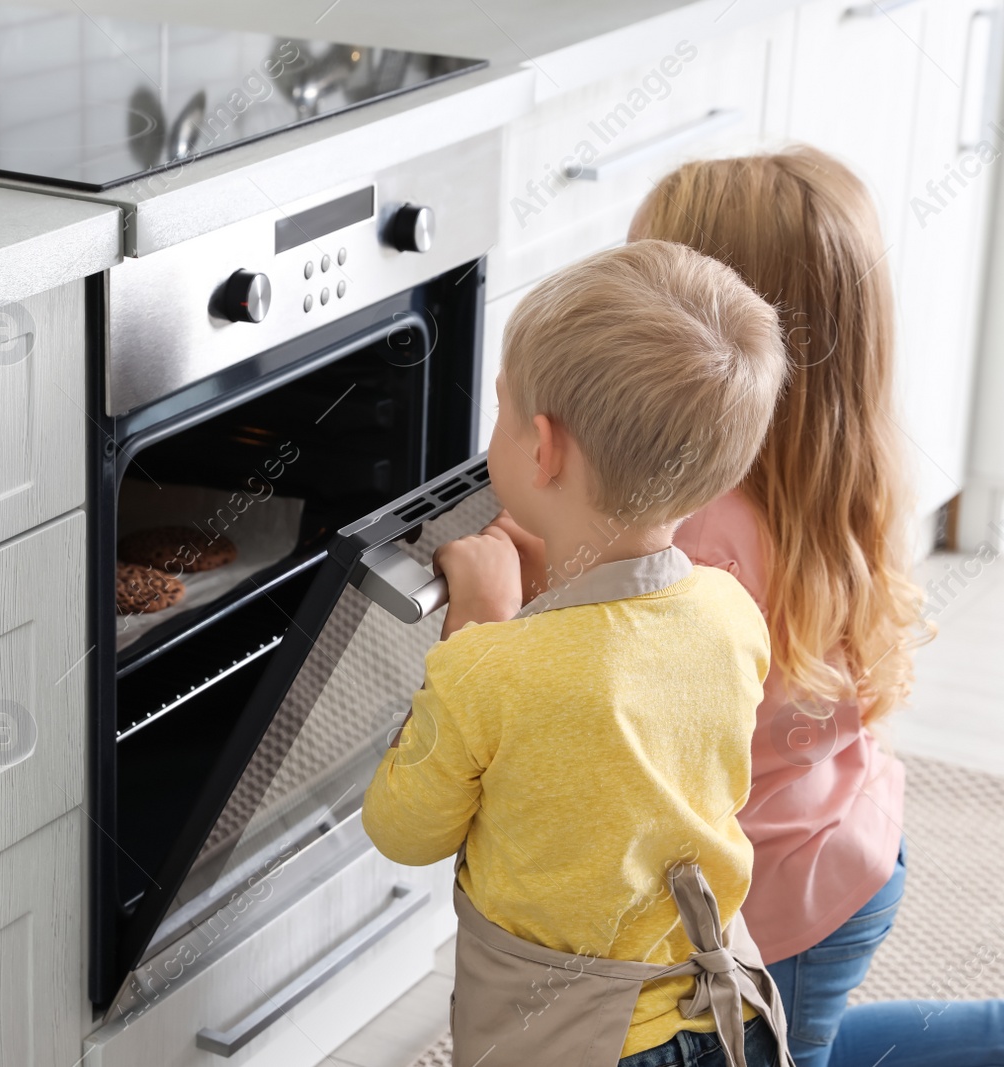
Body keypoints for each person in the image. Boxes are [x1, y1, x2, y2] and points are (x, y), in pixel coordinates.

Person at [363, 239, 793, 1067]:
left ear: (543, 449)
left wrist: (483, 624)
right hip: (719, 1019)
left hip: (575, 1044)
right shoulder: (731, 613)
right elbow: (610, 686)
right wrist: (547, 592)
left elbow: (402, 828)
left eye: (502, 407)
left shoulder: (491, 668)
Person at [630, 147, 1004, 1067]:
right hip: (842, 835)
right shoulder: (844, 476)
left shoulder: (694, 530)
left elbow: (610, 711)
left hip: (774, 900)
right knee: (811, 1044)